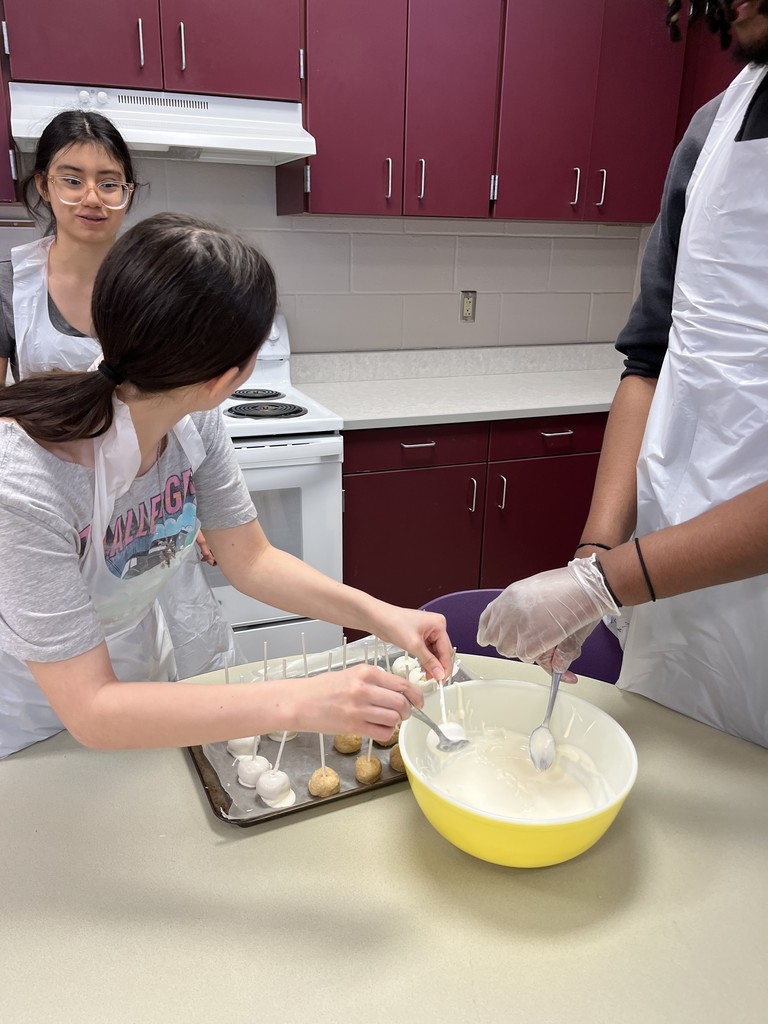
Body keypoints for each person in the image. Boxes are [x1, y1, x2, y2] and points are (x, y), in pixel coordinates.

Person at [0, 212, 450, 759]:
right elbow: (91, 708)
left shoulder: (192, 419)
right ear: (224, 379)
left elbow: (251, 560)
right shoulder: (24, 486)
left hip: (145, 692)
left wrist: (384, 617)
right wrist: (301, 700)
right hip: (36, 722)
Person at [477, 2, 768, 749]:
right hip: (669, 588)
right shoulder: (712, 130)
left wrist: (604, 585)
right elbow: (649, 362)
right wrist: (594, 559)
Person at [0, 108, 243, 680]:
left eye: (110, 183)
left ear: (128, 192)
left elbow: (179, 412)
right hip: (60, 524)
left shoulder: (153, 283)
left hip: (149, 528)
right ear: (43, 185)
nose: (93, 197)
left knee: (163, 680)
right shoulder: (12, 289)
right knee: (74, 685)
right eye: (72, 178)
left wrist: (182, 494)